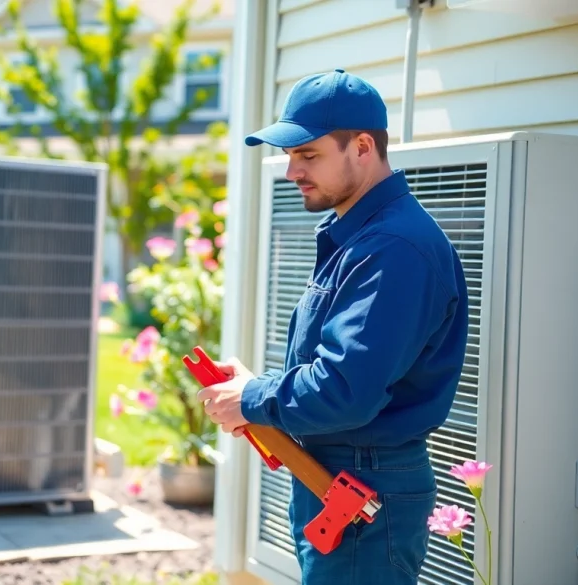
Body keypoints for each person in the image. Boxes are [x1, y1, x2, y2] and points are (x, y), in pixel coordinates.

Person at [197, 69, 469, 584]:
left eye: (308, 155)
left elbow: (345, 389)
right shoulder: (363, 237)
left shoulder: (394, 249)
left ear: (362, 146)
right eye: (290, 156)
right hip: (340, 477)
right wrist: (253, 389)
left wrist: (254, 397)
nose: (291, 172)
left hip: (365, 484)